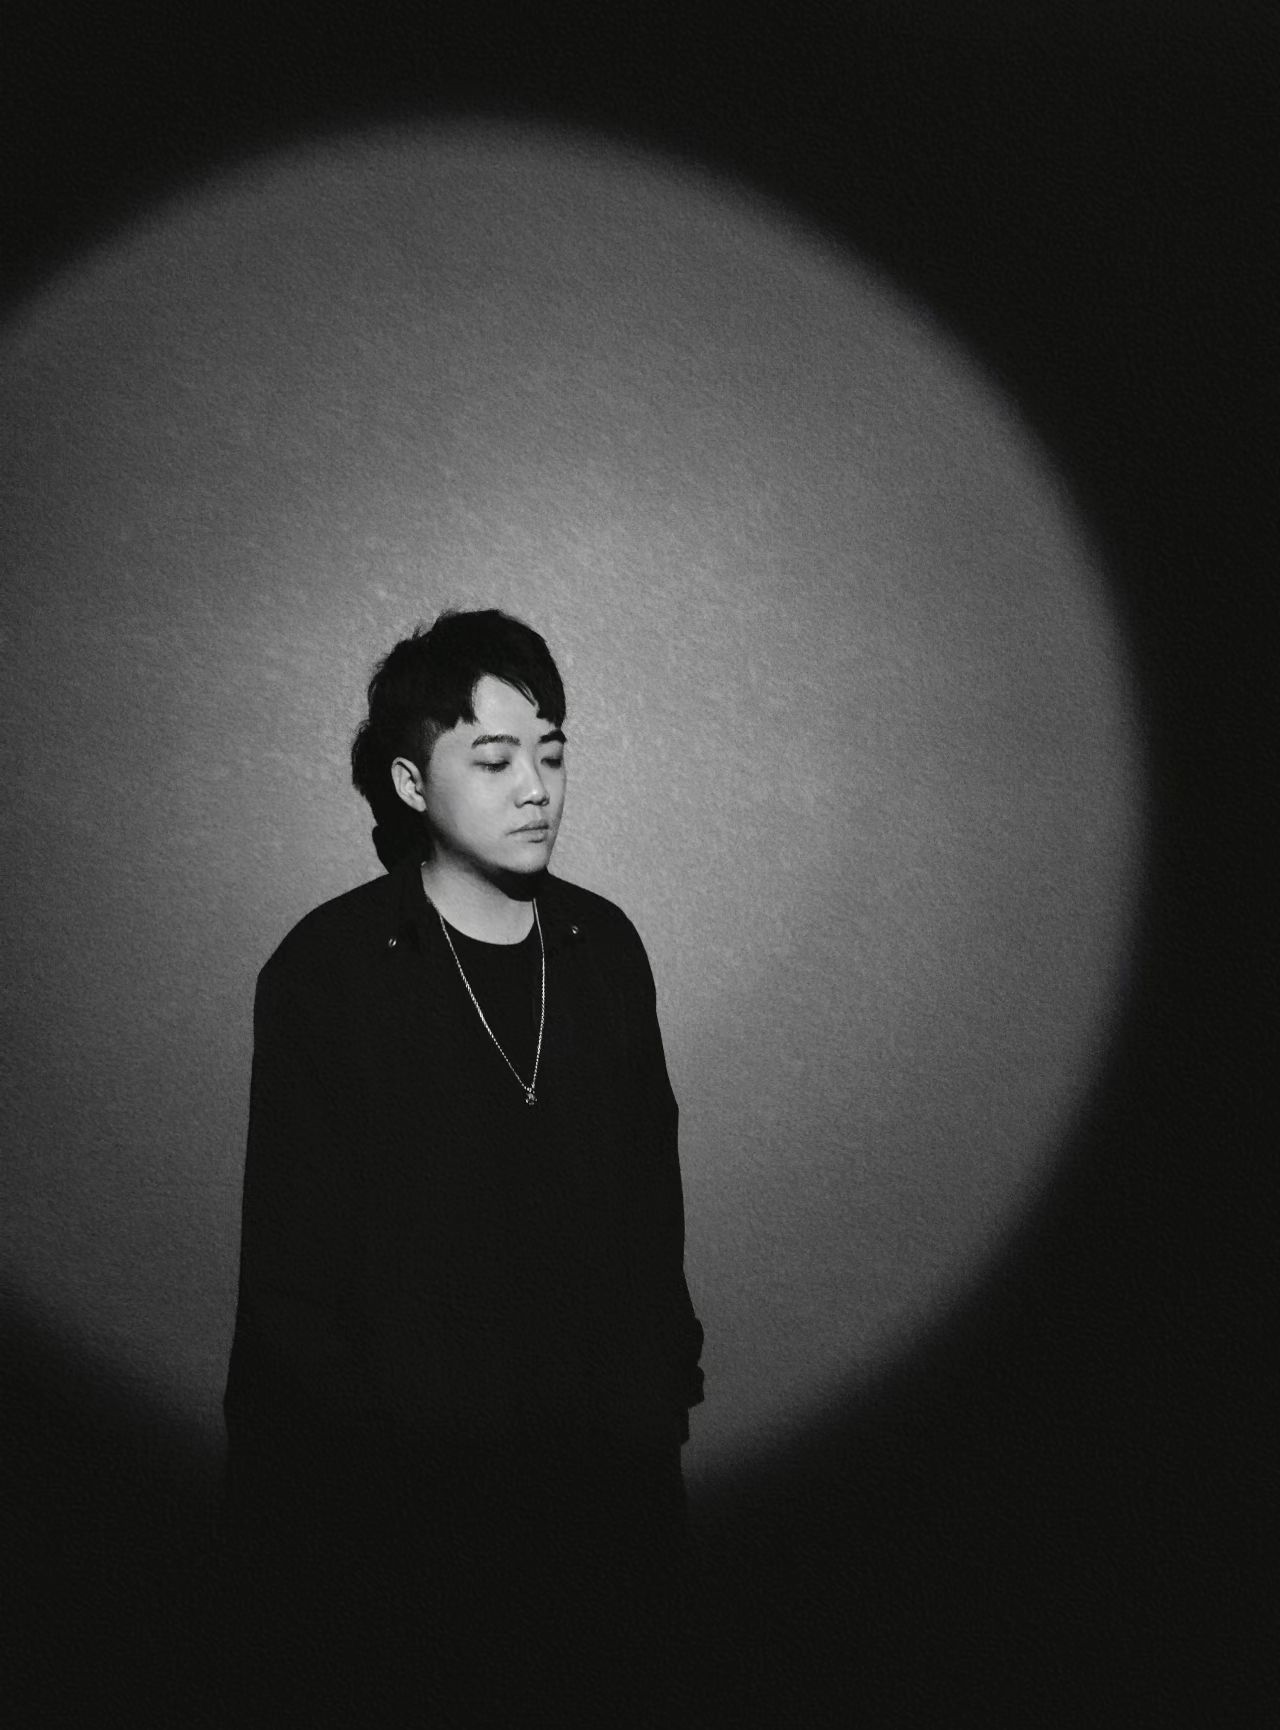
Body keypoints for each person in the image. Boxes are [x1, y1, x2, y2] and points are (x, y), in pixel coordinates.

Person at [221, 607, 704, 1725]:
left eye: (551, 753)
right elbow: (292, 1279)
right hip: (405, 1509)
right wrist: (362, 1491)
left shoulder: (604, 947)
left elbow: (650, 1202)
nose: (535, 788)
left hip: (600, 1491)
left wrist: (658, 1397)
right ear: (409, 781)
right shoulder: (330, 970)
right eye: (492, 760)